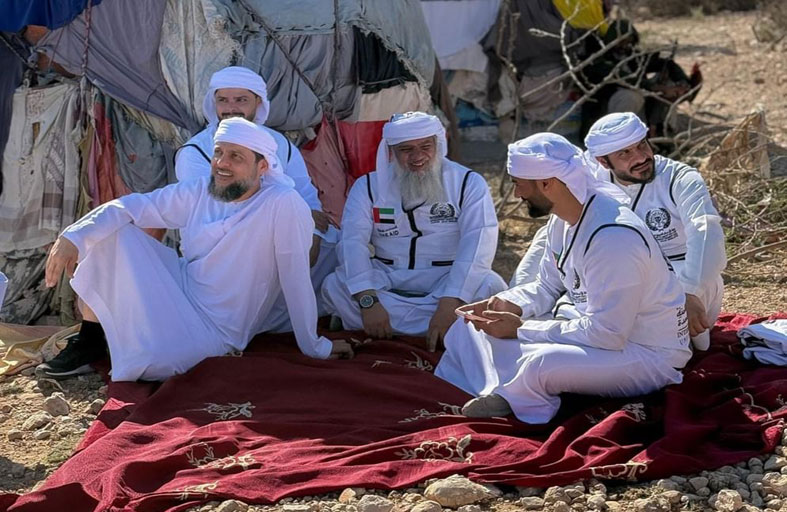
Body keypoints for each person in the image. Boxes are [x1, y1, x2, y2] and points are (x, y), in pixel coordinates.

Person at [37, 118, 352, 382]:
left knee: (155, 365)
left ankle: (121, 337)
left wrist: (315, 346)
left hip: (217, 329)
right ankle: (91, 339)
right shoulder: (201, 189)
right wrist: (72, 236)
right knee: (108, 231)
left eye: (236, 157)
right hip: (181, 289)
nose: (222, 164)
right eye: (219, 153)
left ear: (262, 167)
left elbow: (296, 279)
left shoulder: (283, 203)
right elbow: (134, 206)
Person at [435, 133, 691, 423]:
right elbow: (547, 286)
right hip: (587, 328)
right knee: (468, 328)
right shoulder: (561, 220)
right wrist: (506, 304)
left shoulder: (614, 237)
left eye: (519, 184)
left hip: (646, 353)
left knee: (543, 363)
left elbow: (608, 333)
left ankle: (518, 393)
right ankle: (512, 387)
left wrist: (522, 330)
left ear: (547, 183)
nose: (516, 194)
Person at [321, 112, 506, 350]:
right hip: (388, 276)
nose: (417, 157)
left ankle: (386, 326)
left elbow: (479, 243)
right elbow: (351, 243)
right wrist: (369, 303)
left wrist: (450, 303)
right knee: (334, 285)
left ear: (438, 144)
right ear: (391, 151)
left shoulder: (468, 183)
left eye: (425, 147)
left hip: (447, 279)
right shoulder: (367, 186)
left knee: (489, 286)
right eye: (406, 149)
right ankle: (441, 329)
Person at [175, 66, 338, 329]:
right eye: (223, 100)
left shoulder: (279, 144)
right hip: (223, 244)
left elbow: (308, 198)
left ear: (258, 103)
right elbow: (218, 210)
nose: (231, 108)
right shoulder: (196, 152)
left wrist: (313, 235)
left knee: (338, 245)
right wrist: (293, 218)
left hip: (279, 233)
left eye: (241, 100)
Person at [583, 112, 726, 350]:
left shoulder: (680, 178)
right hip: (622, 278)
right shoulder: (593, 183)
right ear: (604, 162)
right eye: (625, 153)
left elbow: (705, 233)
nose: (640, 157)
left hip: (683, 276)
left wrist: (690, 293)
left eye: (642, 145)